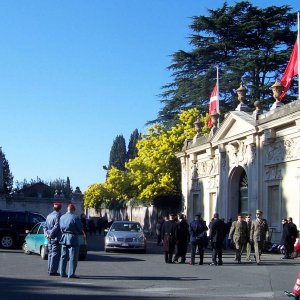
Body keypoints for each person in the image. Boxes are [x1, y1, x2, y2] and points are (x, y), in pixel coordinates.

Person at [59, 203, 84, 278]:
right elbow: (80, 228)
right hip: (73, 238)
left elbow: (60, 228)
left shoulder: (62, 217)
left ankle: (62, 272)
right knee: (73, 256)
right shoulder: (75, 217)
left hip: (64, 237)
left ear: (67, 209)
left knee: (63, 256)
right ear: (73, 210)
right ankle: (71, 274)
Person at [44, 202, 62, 276]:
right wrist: (51, 235)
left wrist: (47, 235)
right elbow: (56, 226)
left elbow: (44, 226)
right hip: (55, 237)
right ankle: (53, 270)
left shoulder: (48, 216)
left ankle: (49, 269)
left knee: (50, 254)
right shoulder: (58, 216)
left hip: (49, 237)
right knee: (55, 254)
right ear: (60, 208)